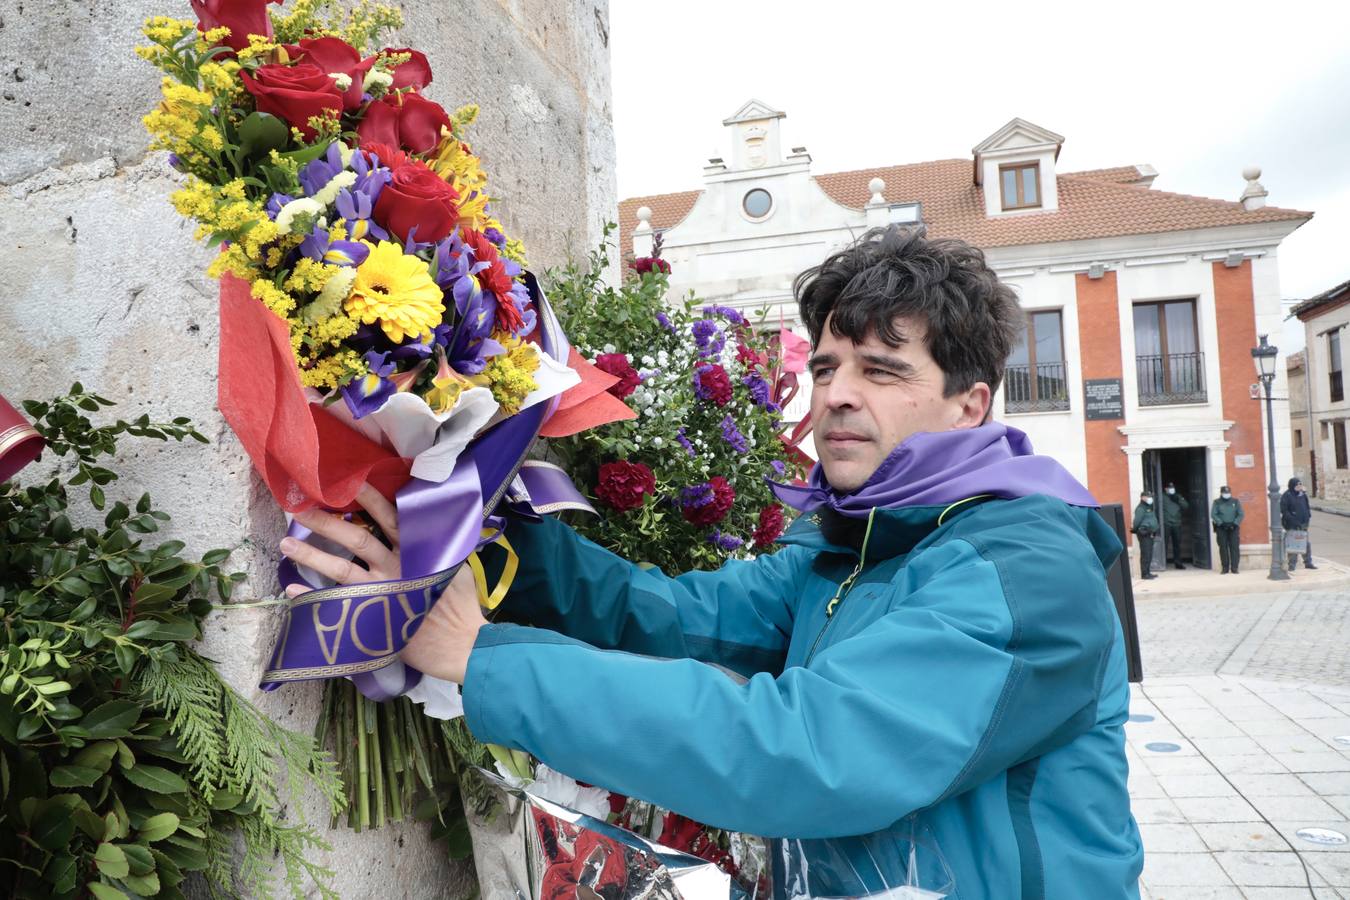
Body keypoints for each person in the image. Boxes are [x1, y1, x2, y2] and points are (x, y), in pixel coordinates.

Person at [281, 226, 1143, 898]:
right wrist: (487, 518)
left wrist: (479, 658)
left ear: (971, 405)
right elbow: (668, 616)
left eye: (883, 371)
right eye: (832, 365)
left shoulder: (1023, 572)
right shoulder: (851, 542)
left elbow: (803, 751)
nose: (838, 392)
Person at [1280, 476, 1316, 570]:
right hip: (1292, 524)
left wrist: (1308, 516)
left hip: (1303, 524)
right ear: (1292, 485)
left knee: (1306, 543)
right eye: (1297, 485)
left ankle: (1308, 562)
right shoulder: (1287, 495)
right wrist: (1293, 520)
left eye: (1300, 484)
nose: (1299, 486)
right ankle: (1292, 565)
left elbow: (1306, 506)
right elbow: (1284, 510)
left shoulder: (1302, 495)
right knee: (1293, 544)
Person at [1211, 486, 1244, 574]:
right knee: (1223, 548)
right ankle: (1225, 568)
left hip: (1234, 527)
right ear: (1221, 493)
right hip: (1221, 528)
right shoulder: (1217, 502)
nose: (1226, 494)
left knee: (1234, 548)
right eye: (1225, 493)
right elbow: (1213, 514)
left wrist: (1235, 523)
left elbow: (1241, 514)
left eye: (1228, 492)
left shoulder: (1235, 501)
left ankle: (1234, 568)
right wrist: (1221, 523)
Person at [1161, 481, 1189, 569]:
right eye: (1169, 488)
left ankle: (1178, 563)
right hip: (1166, 524)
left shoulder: (1178, 496)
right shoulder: (1162, 496)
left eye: (1172, 488)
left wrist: (1178, 499)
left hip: (1177, 523)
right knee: (1164, 544)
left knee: (1177, 544)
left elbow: (1186, 506)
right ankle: (1163, 563)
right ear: (1165, 489)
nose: (1171, 490)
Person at [1131, 490, 1159, 580]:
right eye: (1148, 496)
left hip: (1149, 533)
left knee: (1149, 553)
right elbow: (1137, 521)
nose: (1150, 498)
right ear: (1143, 497)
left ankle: (1148, 572)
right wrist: (1135, 530)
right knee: (1145, 554)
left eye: (1150, 496)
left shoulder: (1148, 507)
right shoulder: (1140, 508)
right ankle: (1144, 574)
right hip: (1144, 534)